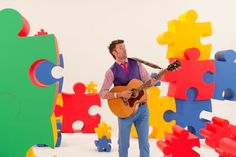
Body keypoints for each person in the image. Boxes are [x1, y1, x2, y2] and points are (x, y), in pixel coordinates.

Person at [99, 39, 159, 157]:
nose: (124, 49)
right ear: (114, 52)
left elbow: (148, 82)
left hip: (142, 109)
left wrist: (155, 80)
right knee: (123, 144)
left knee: (144, 143)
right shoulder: (110, 72)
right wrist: (119, 94)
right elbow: (102, 93)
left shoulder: (136, 63)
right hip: (124, 112)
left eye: (124, 46)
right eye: (120, 48)